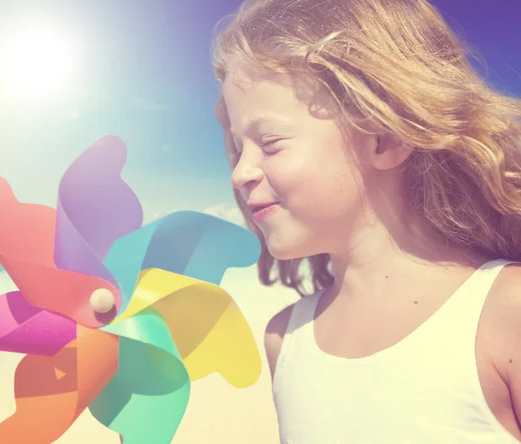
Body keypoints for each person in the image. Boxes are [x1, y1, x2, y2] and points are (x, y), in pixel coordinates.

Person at [211, 0, 521, 442]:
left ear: (384, 138)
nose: (240, 173)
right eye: (238, 150)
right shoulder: (285, 339)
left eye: (270, 142)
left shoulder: (505, 313)